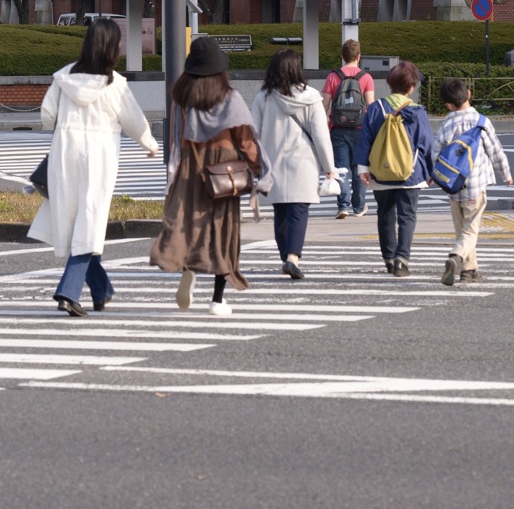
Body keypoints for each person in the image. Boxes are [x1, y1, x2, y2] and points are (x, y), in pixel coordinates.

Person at [28, 17, 158, 317]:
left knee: (76, 221)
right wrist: (150, 144)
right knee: (90, 221)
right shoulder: (114, 84)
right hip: (98, 156)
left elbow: (46, 115)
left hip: (65, 153)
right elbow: (134, 121)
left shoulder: (64, 77)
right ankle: (68, 291)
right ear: (112, 46)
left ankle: (101, 291)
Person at [150, 36, 271, 316]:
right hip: (224, 170)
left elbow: (177, 138)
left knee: (192, 224)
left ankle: (190, 268)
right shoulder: (231, 97)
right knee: (224, 230)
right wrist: (259, 172)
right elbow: (246, 140)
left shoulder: (181, 96)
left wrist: (174, 172)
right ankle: (217, 300)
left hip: (192, 166)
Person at [251, 49, 336, 280]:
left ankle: (285, 256)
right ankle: (292, 258)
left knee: (281, 211)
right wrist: (329, 166)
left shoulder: (263, 98)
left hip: (273, 161)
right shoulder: (312, 98)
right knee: (299, 212)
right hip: (304, 163)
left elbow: (253, 134)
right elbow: (320, 135)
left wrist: (255, 164)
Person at [354, 60, 434, 277]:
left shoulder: (376, 108)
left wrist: (363, 167)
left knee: (385, 214)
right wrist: (429, 172)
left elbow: (365, 139)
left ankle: (389, 259)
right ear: (412, 87)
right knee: (407, 216)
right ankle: (402, 259)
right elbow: (426, 145)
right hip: (411, 173)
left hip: (381, 171)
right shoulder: (417, 112)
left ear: (389, 84)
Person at [433, 77, 512, 286]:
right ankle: (456, 257)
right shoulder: (481, 121)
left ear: (448, 104)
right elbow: (495, 151)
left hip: (453, 187)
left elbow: (436, 153)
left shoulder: (448, 122)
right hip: (475, 188)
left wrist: (433, 176)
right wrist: (506, 174)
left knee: (462, 230)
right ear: (468, 94)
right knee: (470, 232)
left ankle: (469, 271)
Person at [321, 39, 375, 220]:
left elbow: (325, 105)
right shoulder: (366, 78)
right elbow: (371, 106)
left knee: (341, 168)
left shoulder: (333, 77)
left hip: (338, 129)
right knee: (359, 168)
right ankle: (358, 207)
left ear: (342, 57)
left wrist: (322, 127)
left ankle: (342, 206)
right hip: (361, 129)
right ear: (358, 57)